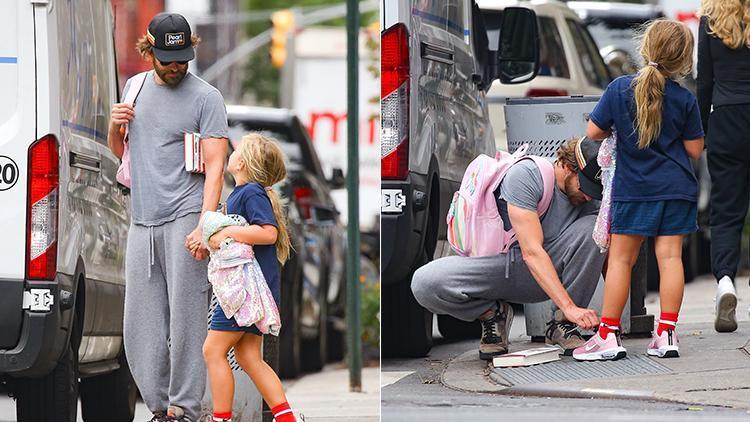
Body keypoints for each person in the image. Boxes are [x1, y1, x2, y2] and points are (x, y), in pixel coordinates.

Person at [107, 13, 228, 422]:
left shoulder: (206, 98)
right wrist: (114, 127)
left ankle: (183, 409)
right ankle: (159, 406)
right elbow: (122, 154)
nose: (176, 66)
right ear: (150, 52)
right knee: (139, 327)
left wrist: (205, 223)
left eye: (183, 58)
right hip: (142, 218)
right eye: (168, 59)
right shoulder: (135, 87)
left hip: (185, 217)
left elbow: (215, 167)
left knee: (187, 319)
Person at [575, 20, 704, 361]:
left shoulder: (619, 89)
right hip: (676, 189)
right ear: (683, 59)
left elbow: (593, 131)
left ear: (645, 47)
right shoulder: (684, 98)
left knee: (620, 260)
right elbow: (694, 150)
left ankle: (607, 336)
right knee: (671, 258)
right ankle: (665, 334)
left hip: (635, 190)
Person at [411, 137, 605, 360]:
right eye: (585, 186)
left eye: (595, 189)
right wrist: (570, 305)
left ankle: (562, 325)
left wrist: (611, 323)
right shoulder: (527, 175)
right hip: (497, 266)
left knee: (596, 229)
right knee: (424, 282)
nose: (590, 195)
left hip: (543, 273)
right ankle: (493, 315)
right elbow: (531, 251)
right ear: (567, 166)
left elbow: (609, 257)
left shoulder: (591, 196)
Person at [196, 134, 297, 422]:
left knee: (213, 351)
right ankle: (285, 418)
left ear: (245, 162)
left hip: (243, 293)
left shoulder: (250, 193)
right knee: (249, 357)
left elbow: (268, 233)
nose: (233, 150)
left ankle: (221, 419)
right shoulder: (245, 193)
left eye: (238, 149)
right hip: (253, 291)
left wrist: (226, 232)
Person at [697, 0, 750, 332]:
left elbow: (705, 82)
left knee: (726, 212)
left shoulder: (711, 20)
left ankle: (726, 282)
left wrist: (700, 132)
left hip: (727, 121)